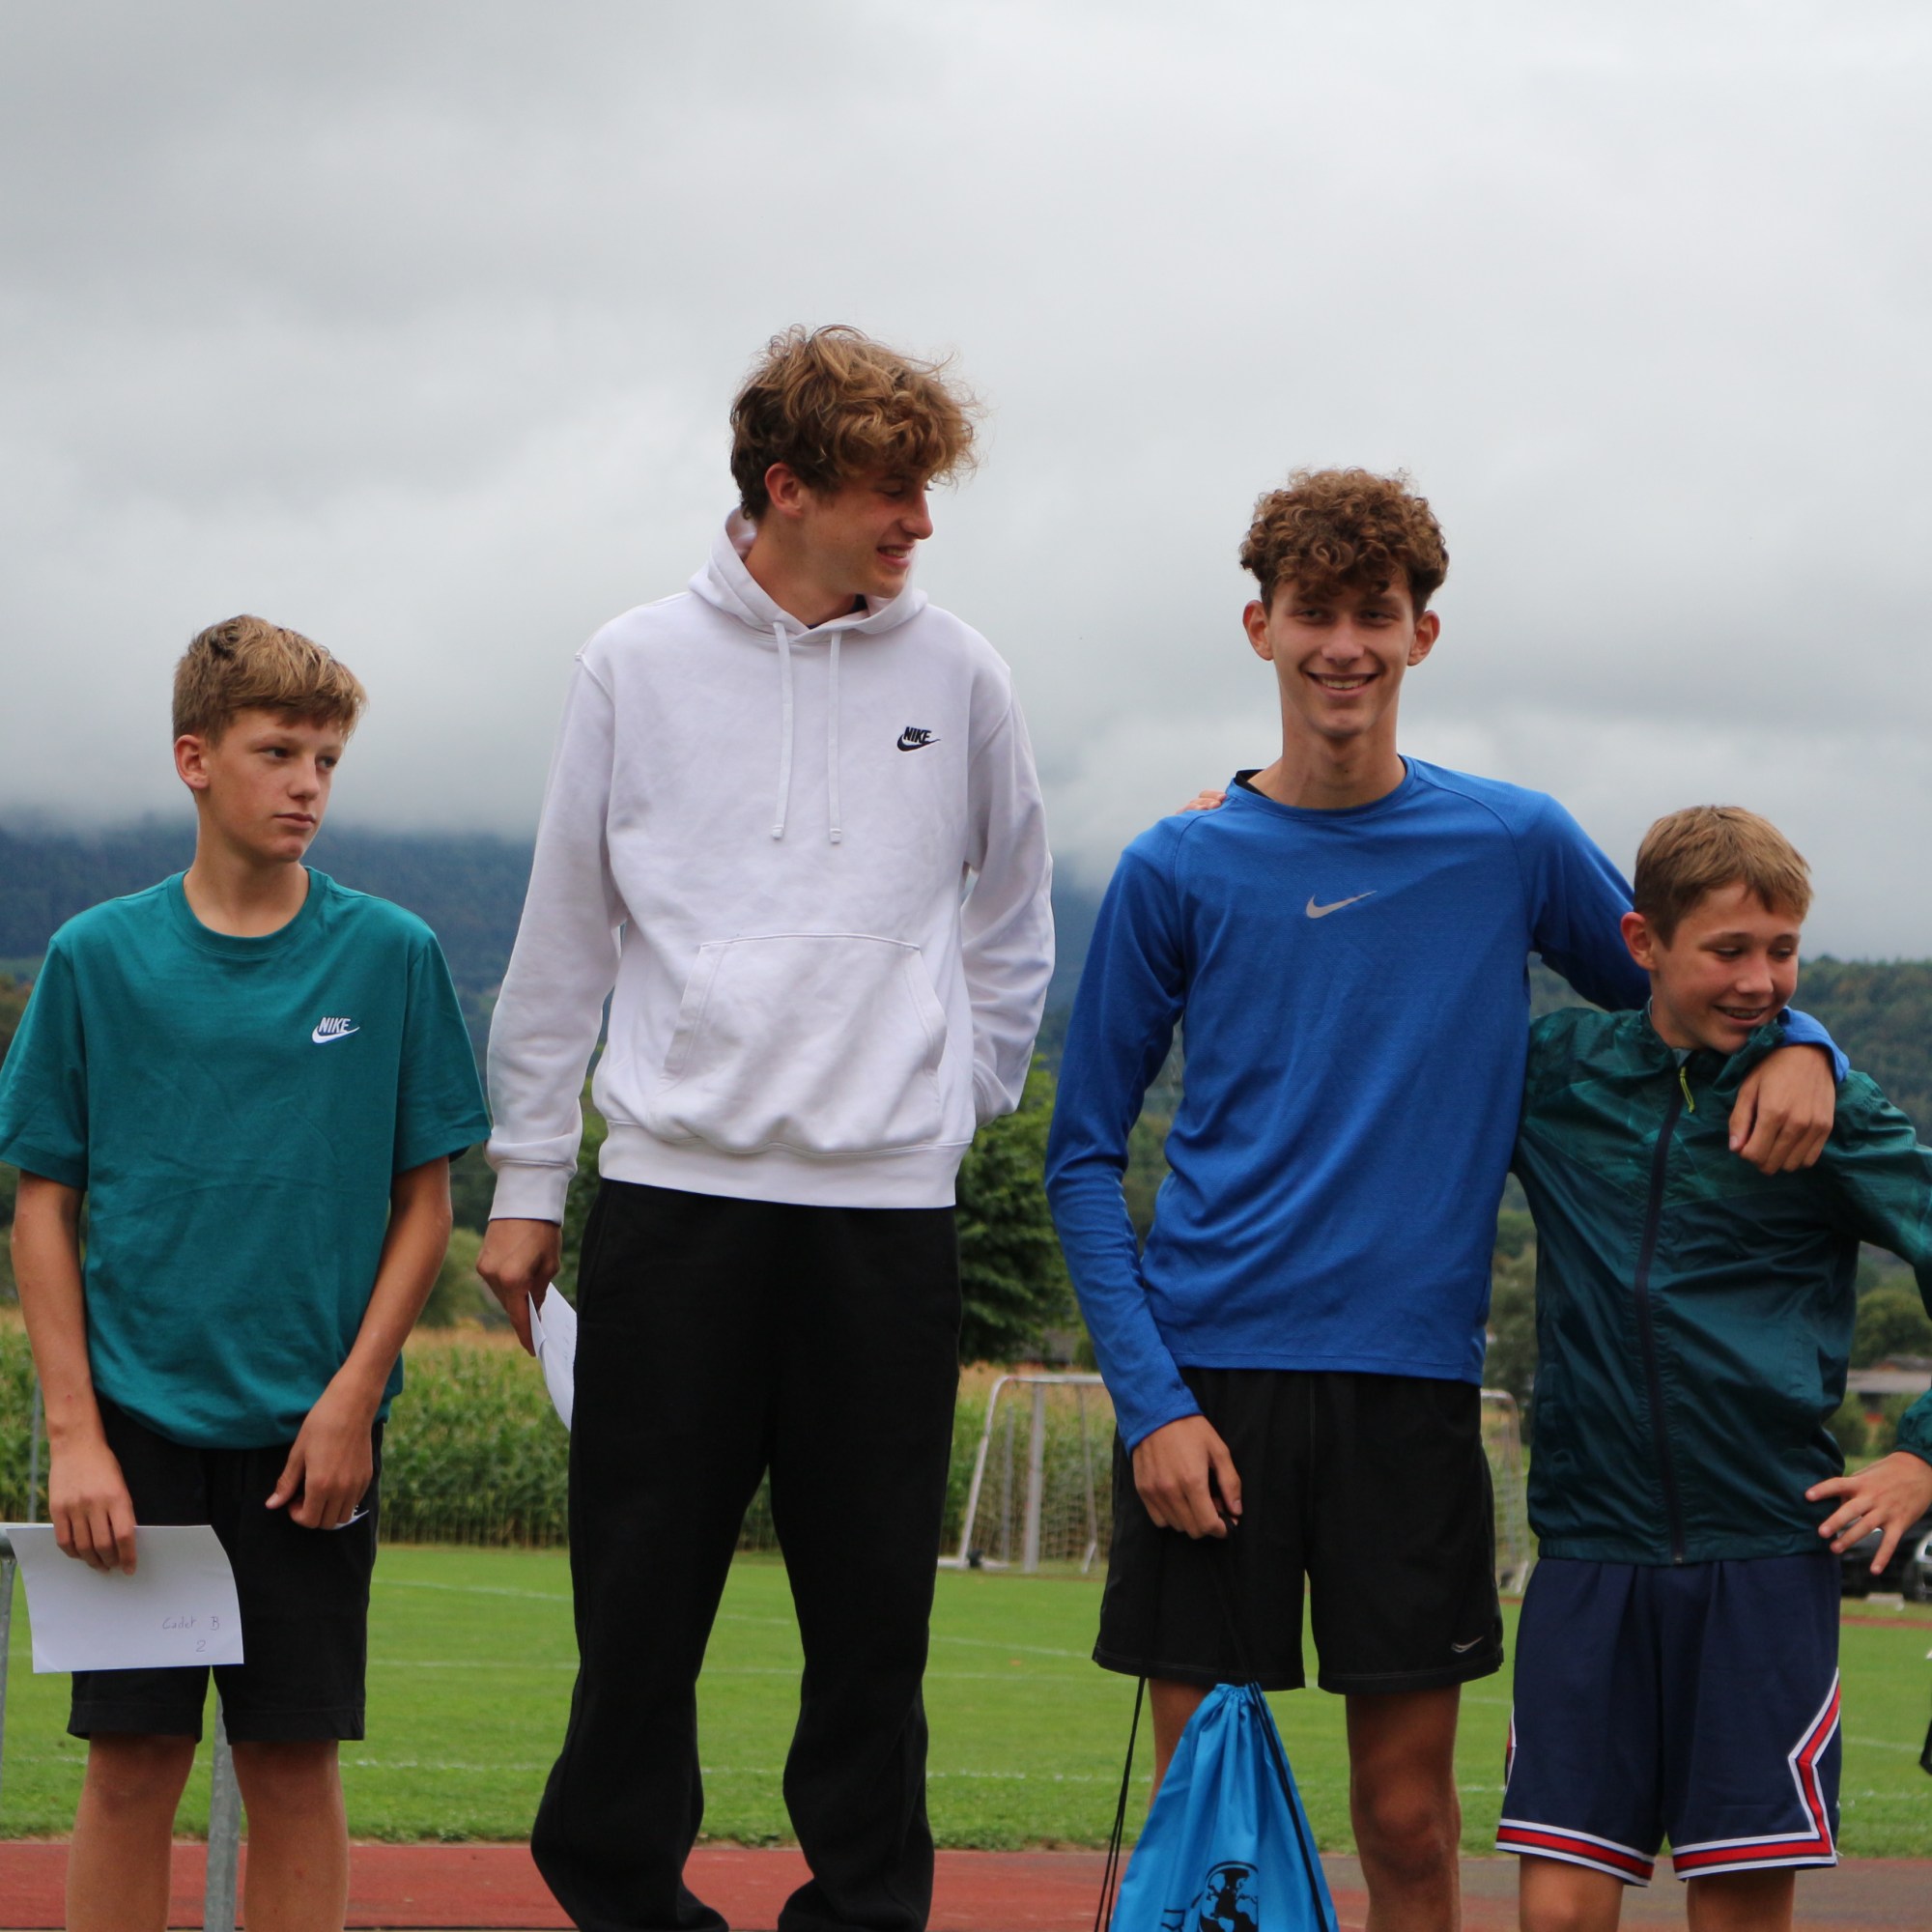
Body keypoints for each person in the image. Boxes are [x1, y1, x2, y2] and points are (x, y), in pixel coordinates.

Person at [1043, 469, 1840, 1932]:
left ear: (1422, 633)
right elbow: (1081, 1154)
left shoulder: (1508, 841)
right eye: (1314, 614)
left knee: (1409, 1826)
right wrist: (1150, 1405)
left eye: (1375, 614)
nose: (1343, 645)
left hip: (1409, 1389)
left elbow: (1682, 983)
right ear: (1260, 628)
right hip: (1208, 1390)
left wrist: (1807, 1045)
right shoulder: (1173, 863)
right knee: (1206, 1820)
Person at [477, 324, 1053, 1932]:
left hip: (886, 1219)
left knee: (872, 1623)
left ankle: (863, 1913)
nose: (919, 523)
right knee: (638, 1608)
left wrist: (951, 1101)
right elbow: (563, 935)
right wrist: (528, 1180)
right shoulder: (633, 663)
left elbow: (1014, 921)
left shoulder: (964, 673)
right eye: (888, 491)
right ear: (786, 487)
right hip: (677, 1206)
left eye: (927, 492)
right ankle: (621, 1896)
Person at [0, 616, 489, 1932]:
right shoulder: (96, 956)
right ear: (195, 759)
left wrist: (354, 1400)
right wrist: (76, 1438)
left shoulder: (391, 954)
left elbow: (425, 1205)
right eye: (278, 752)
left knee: (290, 1764)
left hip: (310, 1439)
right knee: (129, 1767)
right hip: (133, 1435)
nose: (307, 784)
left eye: (326, 758)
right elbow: (43, 1209)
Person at [1497, 806, 1932, 1932]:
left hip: (1762, 1552)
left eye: (1780, 951)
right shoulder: (1554, 1072)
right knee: (1555, 1911)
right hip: (1588, 1544)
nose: (1757, 979)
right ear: (1640, 940)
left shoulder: (1832, 1113)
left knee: (1734, 1907)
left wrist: (1920, 1457)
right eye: (1727, 948)